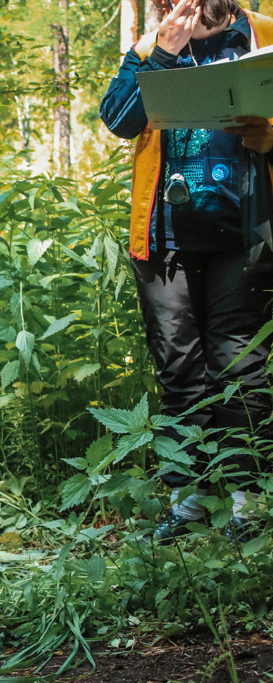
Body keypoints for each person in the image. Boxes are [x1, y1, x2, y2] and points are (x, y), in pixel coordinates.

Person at [100, 0, 273, 541]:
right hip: (163, 236)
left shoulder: (262, 33)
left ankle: (246, 499)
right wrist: (161, 54)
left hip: (242, 232)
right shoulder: (152, 45)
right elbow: (118, 120)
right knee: (178, 363)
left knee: (242, 362)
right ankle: (190, 496)